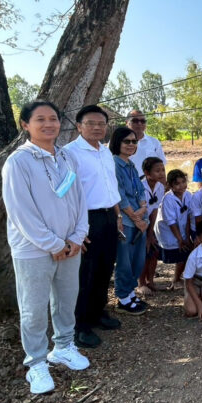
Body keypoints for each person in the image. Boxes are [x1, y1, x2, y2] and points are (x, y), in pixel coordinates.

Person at [2, 101, 90, 394]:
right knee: (33, 308)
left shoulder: (66, 157)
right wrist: (53, 244)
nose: (49, 124)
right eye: (40, 119)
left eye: (53, 118)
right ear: (26, 125)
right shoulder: (18, 162)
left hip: (70, 246)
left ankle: (63, 346)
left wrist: (78, 236)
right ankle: (36, 362)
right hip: (34, 250)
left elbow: (79, 198)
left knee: (67, 299)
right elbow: (21, 212)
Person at [63, 104, 122, 349]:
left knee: (104, 269)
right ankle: (80, 326)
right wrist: (73, 230)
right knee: (84, 274)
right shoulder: (69, 153)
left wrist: (117, 217)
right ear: (79, 126)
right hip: (85, 220)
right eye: (91, 123)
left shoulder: (105, 151)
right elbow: (64, 195)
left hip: (109, 217)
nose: (97, 127)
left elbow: (111, 188)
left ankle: (98, 313)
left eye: (101, 124)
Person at [111, 126, 149, 315]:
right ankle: (123, 297)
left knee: (137, 259)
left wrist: (142, 209)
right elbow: (119, 195)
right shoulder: (114, 164)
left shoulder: (132, 165)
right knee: (124, 261)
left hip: (139, 219)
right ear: (117, 142)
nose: (131, 145)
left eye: (134, 141)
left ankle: (131, 292)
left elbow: (140, 191)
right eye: (127, 141)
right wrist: (135, 217)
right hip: (125, 220)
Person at [155, 169, 194, 291]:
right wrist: (180, 239)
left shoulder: (188, 195)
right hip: (168, 231)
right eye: (177, 183)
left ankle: (177, 278)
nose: (181, 185)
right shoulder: (168, 199)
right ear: (170, 185)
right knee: (177, 252)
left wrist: (187, 237)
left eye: (183, 182)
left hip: (181, 229)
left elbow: (188, 217)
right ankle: (151, 280)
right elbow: (171, 222)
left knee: (185, 252)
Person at [137, 157, 165, 297]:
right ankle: (141, 283)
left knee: (153, 251)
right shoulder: (140, 186)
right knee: (142, 253)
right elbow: (139, 212)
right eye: (157, 170)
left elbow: (154, 210)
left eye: (162, 170)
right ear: (147, 173)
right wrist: (145, 235)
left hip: (150, 223)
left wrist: (151, 234)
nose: (161, 173)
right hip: (138, 223)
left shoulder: (160, 187)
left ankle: (151, 281)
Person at [126, 109, 166, 178]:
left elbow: (162, 167)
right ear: (127, 122)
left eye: (143, 121)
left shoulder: (154, 142)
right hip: (127, 185)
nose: (139, 124)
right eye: (135, 121)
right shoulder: (118, 142)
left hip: (150, 186)